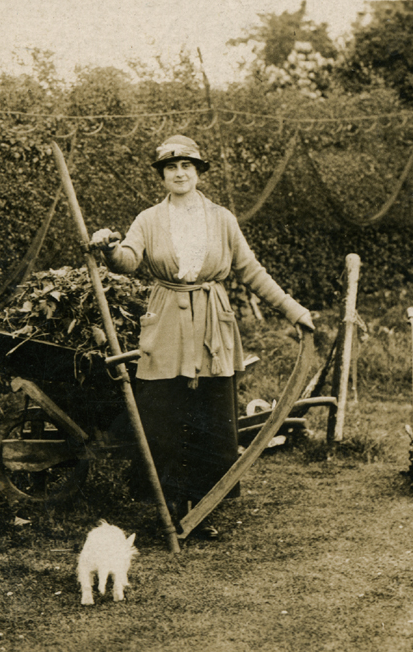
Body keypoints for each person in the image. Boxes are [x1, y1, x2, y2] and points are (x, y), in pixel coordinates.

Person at [91, 135, 315, 538]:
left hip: (214, 324)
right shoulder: (148, 219)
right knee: (164, 416)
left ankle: (202, 510)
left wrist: (294, 310)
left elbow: (251, 271)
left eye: (187, 166)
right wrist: (109, 248)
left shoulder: (222, 219)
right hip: (166, 325)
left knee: (210, 419)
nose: (179, 174)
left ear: (198, 172)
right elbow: (128, 260)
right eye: (171, 167)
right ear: (162, 175)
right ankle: (168, 512)